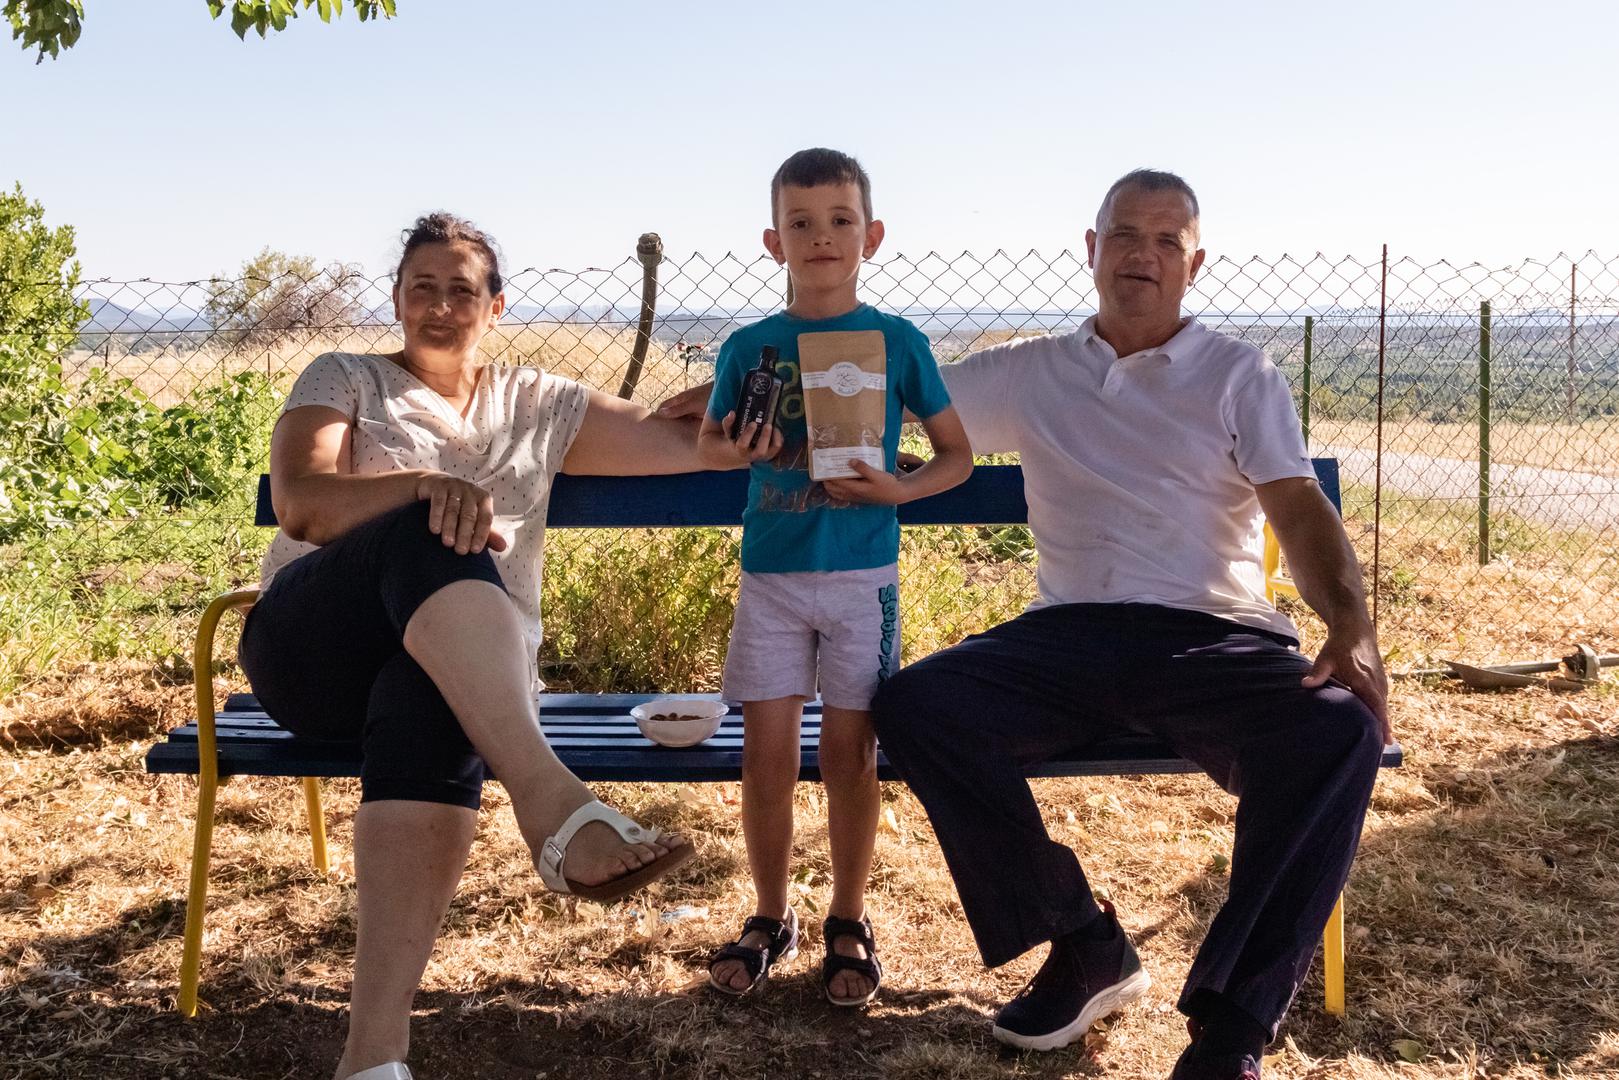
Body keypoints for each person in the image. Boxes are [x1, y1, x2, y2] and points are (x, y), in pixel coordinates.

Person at [658, 170, 1390, 1080]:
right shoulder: (1032, 369)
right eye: (1124, 235)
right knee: (917, 705)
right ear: (1091, 249)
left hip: (1210, 635)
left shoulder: (1240, 375)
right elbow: (877, 389)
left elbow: (1298, 507)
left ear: (1194, 263)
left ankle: (1230, 1034)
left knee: (1337, 731)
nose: (1142, 255)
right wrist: (728, 392)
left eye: (1166, 241)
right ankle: (1084, 942)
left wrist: (1350, 624)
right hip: (1065, 636)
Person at [240, 213, 720, 1080]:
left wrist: (756, 406)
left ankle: (372, 1061)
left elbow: (690, 444)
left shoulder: (538, 404)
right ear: (395, 299)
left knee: (432, 696)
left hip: (457, 675)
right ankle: (552, 802)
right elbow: (302, 502)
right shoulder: (343, 377)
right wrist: (425, 484)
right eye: (421, 287)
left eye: (460, 290)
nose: (438, 305)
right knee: (427, 522)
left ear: (495, 307)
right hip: (312, 653)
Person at [696, 148, 973, 1008]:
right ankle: (768, 914)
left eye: (840, 220)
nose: (821, 237)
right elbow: (709, 441)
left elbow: (956, 457)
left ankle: (847, 917)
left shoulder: (897, 342)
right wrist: (737, 447)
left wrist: (899, 490)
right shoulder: (749, 346)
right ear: (772, 241)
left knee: (849, 755)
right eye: (801, 222)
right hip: (771, 578)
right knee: (766, 756)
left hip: (863, 580)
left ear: (871, 236)